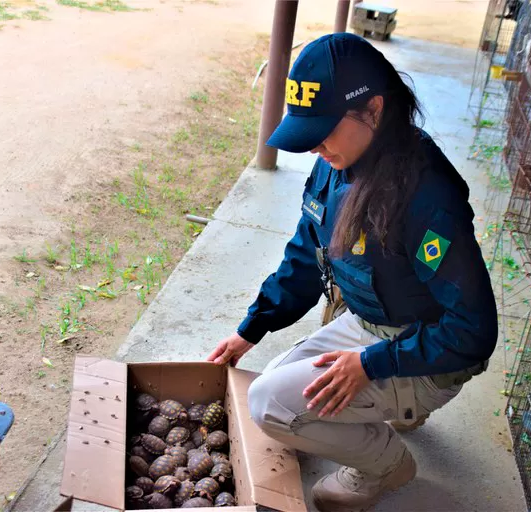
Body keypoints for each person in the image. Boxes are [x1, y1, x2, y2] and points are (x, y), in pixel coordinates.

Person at [207, 33, 498, 512]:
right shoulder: (336, 164)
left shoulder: (427, 196)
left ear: (375, 111)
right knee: (270, 391)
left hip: (426, 348)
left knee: (271, 407)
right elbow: (305, 255)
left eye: (323, 129)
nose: (314, 147)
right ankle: (396, 410)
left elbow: (473, 331)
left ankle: (386, 464)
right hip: (368, 323)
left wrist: (371, 365)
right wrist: (252, 328)